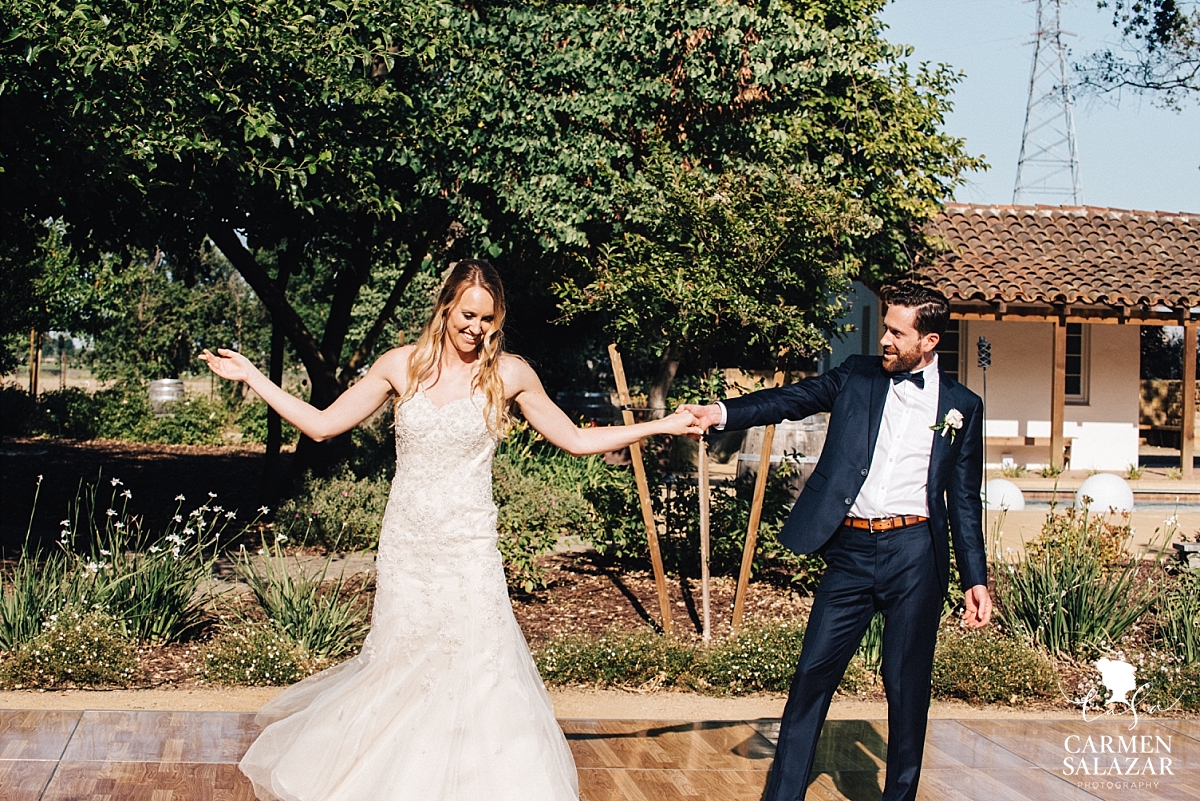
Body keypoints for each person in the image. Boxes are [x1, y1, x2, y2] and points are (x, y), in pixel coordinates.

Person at [201, 259, 700, 801]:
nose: (476, 328)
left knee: (478, 665)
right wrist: (253, 377)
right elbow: (323, 426)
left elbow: (575, 440)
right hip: (408, 544)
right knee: (404, 659)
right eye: (467, 314)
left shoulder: (510, 374)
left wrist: (665, 424)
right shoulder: (401, 366)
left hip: (469, 545)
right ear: (445, 308)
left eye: (487, 319)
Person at [679, 283, 992, 801]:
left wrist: (975, 579)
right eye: (886, 328)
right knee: (811, 676)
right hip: (849, 551)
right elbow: (791, 399)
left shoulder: (963, 406)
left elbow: (962, 500)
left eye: (897, 332)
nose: (885, 339)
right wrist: (721, 413)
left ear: (929, 340)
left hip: (916, 556)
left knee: (906, 686)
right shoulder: (857, 376)